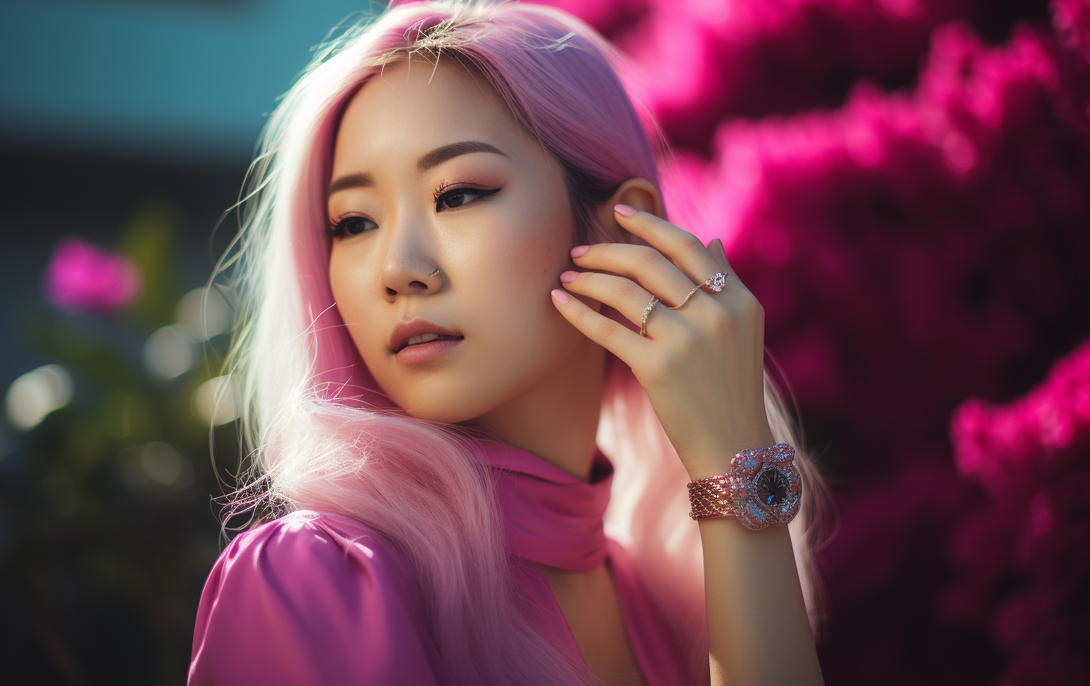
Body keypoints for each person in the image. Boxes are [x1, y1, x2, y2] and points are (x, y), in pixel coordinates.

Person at [188, 1, 827, 684]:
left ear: (623, 227)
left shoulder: (661, 602)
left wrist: (733, 456)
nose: (398, 267)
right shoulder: (312, 581)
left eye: (457, 194)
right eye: (351, 223)